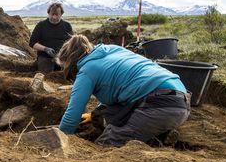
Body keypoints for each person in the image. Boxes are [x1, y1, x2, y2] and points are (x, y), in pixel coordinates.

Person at [56, 34, 191, 146]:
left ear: (70, 63)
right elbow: (123, 86)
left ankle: (156, 140)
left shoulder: (87, 70)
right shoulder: (112, 50)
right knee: (99, 114)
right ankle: (157, 133)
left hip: (159, 105)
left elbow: (72, 114)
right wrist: (93, 115)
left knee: (107, 143)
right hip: (180, 101)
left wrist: (58, 139)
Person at [29, 2, 73, 73]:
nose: (54, 17)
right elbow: (32, 43)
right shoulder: (41, 25)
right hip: (44, 57)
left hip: (62, 58)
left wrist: (63, 53)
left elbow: (71, 43)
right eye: (52, 14)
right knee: (46, 77)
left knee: (66, 76)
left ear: (61, 14)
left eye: (57, 15)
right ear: (48, 13)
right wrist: (45, 49)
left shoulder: (67, 26)